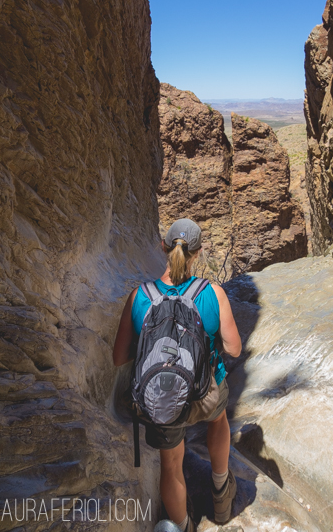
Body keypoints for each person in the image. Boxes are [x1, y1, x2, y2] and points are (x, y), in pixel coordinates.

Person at [113, 218, 242, 532]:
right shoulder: (211, 293)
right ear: (196, 253)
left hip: (161, 400)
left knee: (171, 465)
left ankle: (183, 526)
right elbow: (235, 349)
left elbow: (119, 357)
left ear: (163, 247)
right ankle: (222, 494)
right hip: (205, 395)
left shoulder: (139, 296)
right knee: (219, 416)